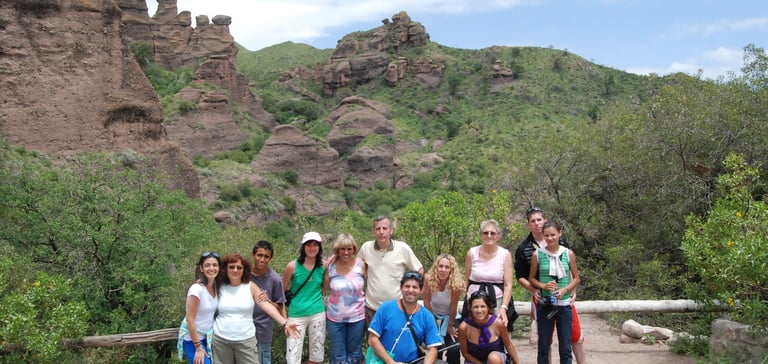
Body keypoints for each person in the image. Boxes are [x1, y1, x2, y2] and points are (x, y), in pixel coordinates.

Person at [514, 207, 585, 362]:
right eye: (533, 221)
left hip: (564, 298)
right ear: (528, 224)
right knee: (544, 340)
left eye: (539, 220)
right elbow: (522, 276)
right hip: (543, 298)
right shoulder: (525, 249)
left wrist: (571, 289)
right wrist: (535, 289)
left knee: (571, 335)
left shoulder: (564, 246)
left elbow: (573, 272)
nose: (536, 223)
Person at [213, 254, 298, 364]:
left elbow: (266, 306)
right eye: (231, 267)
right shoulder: (219, 286)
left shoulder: (251, 286)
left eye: (239, 267)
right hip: (221, 340)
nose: (235, 270)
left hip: (245, 340)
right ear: (225, 268)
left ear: (244, 270)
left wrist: (285, 322)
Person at [529, 221, 581, 364]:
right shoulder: (537, 254)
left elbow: (576, 278)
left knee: (565, 346)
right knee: (544, 345)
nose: (550, 238)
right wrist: (543, 286)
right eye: (546, 235)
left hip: (564, 305)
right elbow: (531, 278)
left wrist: (565, 289)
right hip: (546, 305)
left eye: (553, 235)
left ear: (560, 233)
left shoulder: (568, 253)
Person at [358, 215, 423, 326]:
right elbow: (355, 266)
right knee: (373, 342)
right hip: (372, 309)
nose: (381, 232)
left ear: (391, 230)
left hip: (397, 308)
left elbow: (419, 270)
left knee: (395, 342)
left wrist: (411, 293)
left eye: (385, 228)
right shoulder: (366, 248)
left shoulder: (402, 248)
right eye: (378, 229)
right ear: (374, 231)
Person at [367, 271, 444, 364]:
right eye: (407, 286)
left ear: (421, 290)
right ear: (401, 288)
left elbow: (433, 348)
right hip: (384, 360)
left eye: (415, 287)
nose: (410, 290)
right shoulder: (386, 308)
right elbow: (372, 339)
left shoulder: (427, 316)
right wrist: (390, 361)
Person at [282, 231, 326, 364]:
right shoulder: (292, 266)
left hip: (317, 313)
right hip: (296, 315)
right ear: (303, 247)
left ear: (319, 247)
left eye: (315, 245)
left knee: (316, 356)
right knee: (293, 356)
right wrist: (285, 320)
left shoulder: (323, 265)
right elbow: (281, 293)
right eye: (308, 245)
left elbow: (325, 287)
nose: (312, 248)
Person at [323, 233, 367, 364]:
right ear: (337, 250)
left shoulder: (361, 265)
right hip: (335, 319)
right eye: (343, 249)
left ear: (354, 249)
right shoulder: (330, 266)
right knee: (338, 357)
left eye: (349, 248)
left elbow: (371, 284)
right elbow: (325, 288)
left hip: (357, 318)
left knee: (355, 355)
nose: (346, 252)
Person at [464, 219, 515, 329]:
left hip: (497, 302)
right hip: (474, 302)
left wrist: (504, 307)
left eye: (492, 233)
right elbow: (466, 280)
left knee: (497, 335)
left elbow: (508, 284)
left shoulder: (505, 254)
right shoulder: (471, 253)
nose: (489, 236)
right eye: (485, 233)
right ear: (481, 235)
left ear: (498, 236)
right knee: (473, 334)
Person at [178, 251, 222, 364]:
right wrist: (198, 348)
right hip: (192, 340)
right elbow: (190, 320)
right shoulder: (197, 289)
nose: (211, 268)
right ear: (201, 268)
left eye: (215, 265)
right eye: (207, 265)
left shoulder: (215, 288)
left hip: (207, 339)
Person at [423, 254, 465, 364]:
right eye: (440, 266)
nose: (443, 270)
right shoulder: (428, 279)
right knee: (436, 347)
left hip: (450, 317)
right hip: (433, 316)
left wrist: (450, 326)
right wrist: (434, 323)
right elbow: (426, 303)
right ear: (436, 267)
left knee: (454, 348)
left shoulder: (455, 284)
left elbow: (453, 307)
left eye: (447, 267)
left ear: (451, 270)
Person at [458, 290, 520, 364]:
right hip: (474, 360)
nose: (479, 310)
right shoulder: (464, 327)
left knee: (493, 358)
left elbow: (508, 345)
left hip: (496, 359)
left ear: (488, 308)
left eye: (483, 306)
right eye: (475, 307)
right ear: (470, 308)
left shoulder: (498, 323)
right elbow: (465, 353)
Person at [250, 240, 286, 364]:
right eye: (259, 255)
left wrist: (268, 301)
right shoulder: (243, 274)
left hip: (263, 330)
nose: (262, 259)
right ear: (253, 255)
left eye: (266, 256)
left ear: (270, 259)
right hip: (243, 329)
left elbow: (281, 307)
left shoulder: (274, 279)